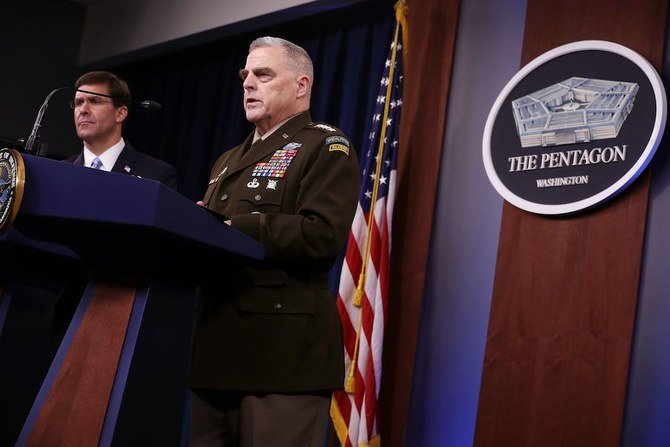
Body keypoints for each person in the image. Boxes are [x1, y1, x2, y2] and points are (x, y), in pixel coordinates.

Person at [189, 37, 360, 446]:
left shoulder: (325, 146)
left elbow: (321, 234)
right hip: (217, 350)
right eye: (245, 75)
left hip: (283, 355)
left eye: (263, 74)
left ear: (301, 86)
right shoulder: (227, 160)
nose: (248, 83)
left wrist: (234, 226)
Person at [67, 71, 177, 189]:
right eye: (79, 103)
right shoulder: (56, 171)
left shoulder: (156, 175)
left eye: (95, 101)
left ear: (120, 113)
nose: (83, 110)